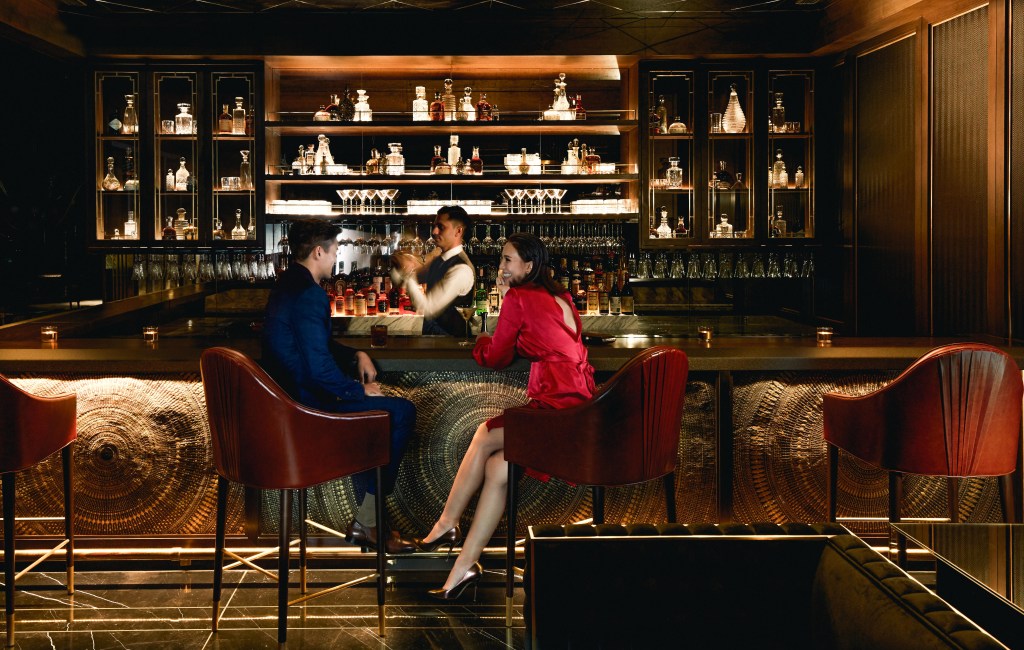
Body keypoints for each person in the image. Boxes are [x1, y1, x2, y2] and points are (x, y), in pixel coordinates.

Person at [413, 232, 596, 599]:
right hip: (581, 406)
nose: (501, 266)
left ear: (529, 266)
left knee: (484, 432)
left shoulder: (519, 297)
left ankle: (446, 524)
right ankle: (461, 571)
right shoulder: (561, 296)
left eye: (508, 260)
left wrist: (480, 343)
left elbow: (496, 356)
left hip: (557, 406)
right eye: (501, 260)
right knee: (499, 468)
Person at [262, 219, 417, 554]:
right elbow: (317, 368)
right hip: (306, 410)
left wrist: (355, 354)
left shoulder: (289, 285)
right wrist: (358, 390)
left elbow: (311, 346)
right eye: (333, 251)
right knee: (401, 412)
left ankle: (369, 522)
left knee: (372, 428)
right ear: (319, 251)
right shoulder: (310, 295)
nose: (334, 259)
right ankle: (369, 521)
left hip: (287, 404)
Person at [391, 205, 475, 336]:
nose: (434, 231)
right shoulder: (439, 260)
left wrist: (408, 273)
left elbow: (428, 308)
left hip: (452, 343)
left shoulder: (461, 269)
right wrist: (401, 265)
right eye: (434, 226)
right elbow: (403, 282)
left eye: (441, 227)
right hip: (434, 339)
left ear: (458, 231)